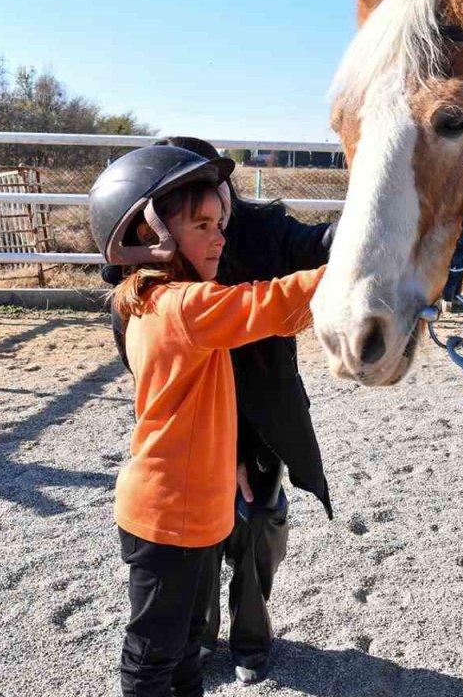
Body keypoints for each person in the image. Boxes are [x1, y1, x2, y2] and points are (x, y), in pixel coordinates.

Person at [88, 144, 326, 697]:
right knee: (152, 656)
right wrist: (351, 270)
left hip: (192, 511)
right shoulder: (180, 305)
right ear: (146, 234)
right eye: (202, 225)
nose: (221, 237)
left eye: (220, 222)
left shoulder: (152, 301)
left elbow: (270, 313)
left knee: (187, 650)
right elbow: (268, 304)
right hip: (167, 514)